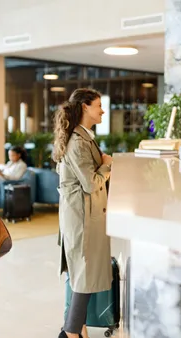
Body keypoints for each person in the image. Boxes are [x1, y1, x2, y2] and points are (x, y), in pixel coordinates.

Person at [53, 88, 113, 338]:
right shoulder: (78, 141)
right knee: (84, 274)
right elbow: (90, 183)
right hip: (82, 217)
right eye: (98, 105)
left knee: (82, 272)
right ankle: (70, 332)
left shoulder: (83, 136)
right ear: (85, 107)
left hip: (84, 214)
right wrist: (108, 165)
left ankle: (77, 327)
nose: (102, 110)